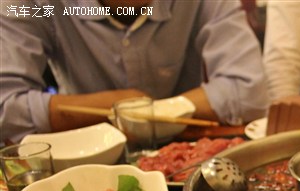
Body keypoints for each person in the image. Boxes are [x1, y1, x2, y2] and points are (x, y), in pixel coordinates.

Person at [0, 0, 269, 143]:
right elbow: (5, 107)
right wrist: (118, 104)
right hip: (81, 156)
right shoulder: (40, 6)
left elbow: (250, 90)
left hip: (183, 155)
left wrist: (156, 110)